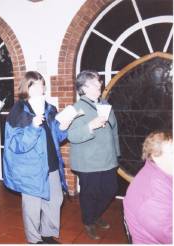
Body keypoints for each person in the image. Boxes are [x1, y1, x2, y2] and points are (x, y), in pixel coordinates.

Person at [3, 71, 72, 244]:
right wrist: (33, 127)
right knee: (33, 207)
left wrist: (63, 126)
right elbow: (16, 144)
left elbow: (57, 136)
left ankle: (47, 233)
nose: (39, 87)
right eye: (35, 84)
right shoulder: (18, 111)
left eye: (41, 83)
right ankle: (34, 240)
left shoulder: (49, 108)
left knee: (55, 199)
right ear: (27, 87)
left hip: (51, 162)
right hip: (30, 167)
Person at [67, 70, 120, 240]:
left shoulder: (104, 104)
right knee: (90, 194)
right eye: (96, 83)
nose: (100, 85)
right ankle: (89, 221)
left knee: (111, 190)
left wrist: (116, 153)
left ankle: (95, 215)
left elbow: (114, 131)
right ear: (84, 87)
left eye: (99, 82)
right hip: (88, 161)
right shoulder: (75, 109)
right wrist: (91, 126)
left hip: (108, 159)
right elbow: (72, 136)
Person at [123, 131, 172, 244]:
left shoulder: (160, 171)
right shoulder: (152, 196)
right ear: (156, 155)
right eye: (172, 152)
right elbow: (169, 235)